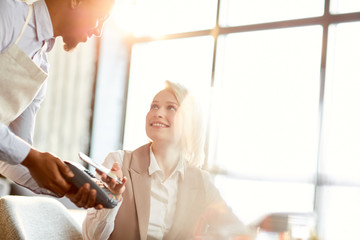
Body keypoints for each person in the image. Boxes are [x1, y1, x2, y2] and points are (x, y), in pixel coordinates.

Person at [82, 81, 249, 239]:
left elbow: (236, 229)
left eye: (171, 107)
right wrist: (112, 198)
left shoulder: (201, 182)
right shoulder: (118, 162)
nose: (158, 113)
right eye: (154, 106)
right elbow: (91, 237)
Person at [0, 0, 115, 208]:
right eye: (101, 17)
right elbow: (25, 155)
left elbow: (13, 159)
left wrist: (71, 187)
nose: (99, 31)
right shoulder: (7, 13)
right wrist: (32, 157)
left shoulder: (41, 65)